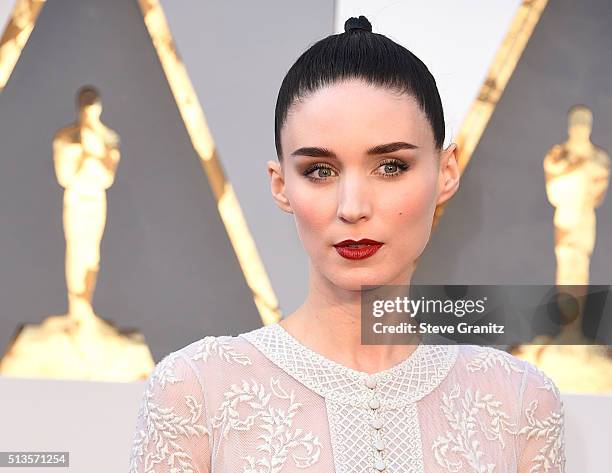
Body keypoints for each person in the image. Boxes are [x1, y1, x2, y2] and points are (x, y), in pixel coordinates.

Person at [128, 15, 565, 473]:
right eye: (320, 170)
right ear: (281, 186)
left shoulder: (518, 402)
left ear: (447, 172)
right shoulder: (196, 391)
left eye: (391, 166)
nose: (353, 207)